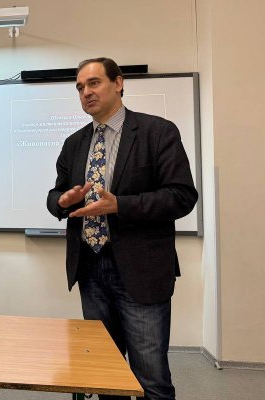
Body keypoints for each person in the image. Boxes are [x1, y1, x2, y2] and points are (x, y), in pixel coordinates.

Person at [47, 58, 198, 400]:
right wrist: (63, 201)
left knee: (151, 379)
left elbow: (181, 196)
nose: (86, 92)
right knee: (106, 375)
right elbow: (56, 196)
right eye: (80, 87)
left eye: (94, 83)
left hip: (141, 270)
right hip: (90, 269)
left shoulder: (157, 132)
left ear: (118, 83)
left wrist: (120, 205)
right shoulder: (74, 143)